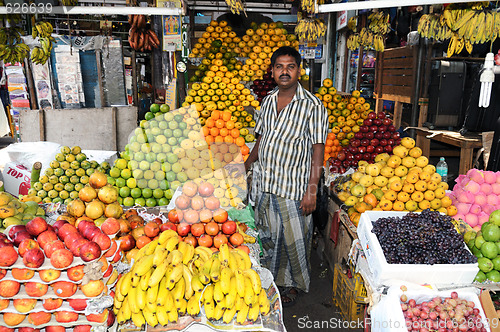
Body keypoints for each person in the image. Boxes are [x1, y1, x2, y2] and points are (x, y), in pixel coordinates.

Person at [243, 46, 328, 307]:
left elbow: (318, 149)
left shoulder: (313, 106)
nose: (284, 71)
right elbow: (261, 138)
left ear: (298, 70)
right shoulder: (268, 100)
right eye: (279, 66)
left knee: (294, 240)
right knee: (267, 236)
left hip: (293, 186)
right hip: (265, 183)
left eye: (290, 66)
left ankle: (291, 285)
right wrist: (246, 165)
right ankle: (269, 280)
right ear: (272, 71)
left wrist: (312, 189)